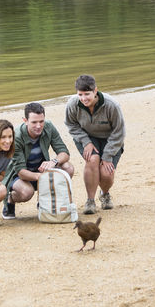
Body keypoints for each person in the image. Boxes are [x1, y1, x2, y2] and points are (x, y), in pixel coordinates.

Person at [64, 74, 125, 215]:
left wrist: (108, 155)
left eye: (87, 94)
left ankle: (105, 194)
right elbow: (71, 125)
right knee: (92, 160)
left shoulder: (112, 105)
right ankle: (90, 201)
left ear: (95, 91)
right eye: (80, 94)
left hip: (110, 139)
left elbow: (119, 132)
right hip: (87, 136)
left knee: (106, 172)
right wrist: (86, 142)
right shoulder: (72, 104)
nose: (84, 98)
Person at [1, 102, 74, 219]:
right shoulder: (16, 137)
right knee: (26, 192)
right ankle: (10, 200)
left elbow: (64, 153)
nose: (39, 126)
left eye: (41, 121)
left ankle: (44, 202)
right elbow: (21, 172)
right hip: (18, 175)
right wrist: (43, 177)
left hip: (40, 170)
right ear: (25, 121)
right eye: (34, 122)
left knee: (68, 167)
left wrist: (53, 162)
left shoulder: (49, 127)